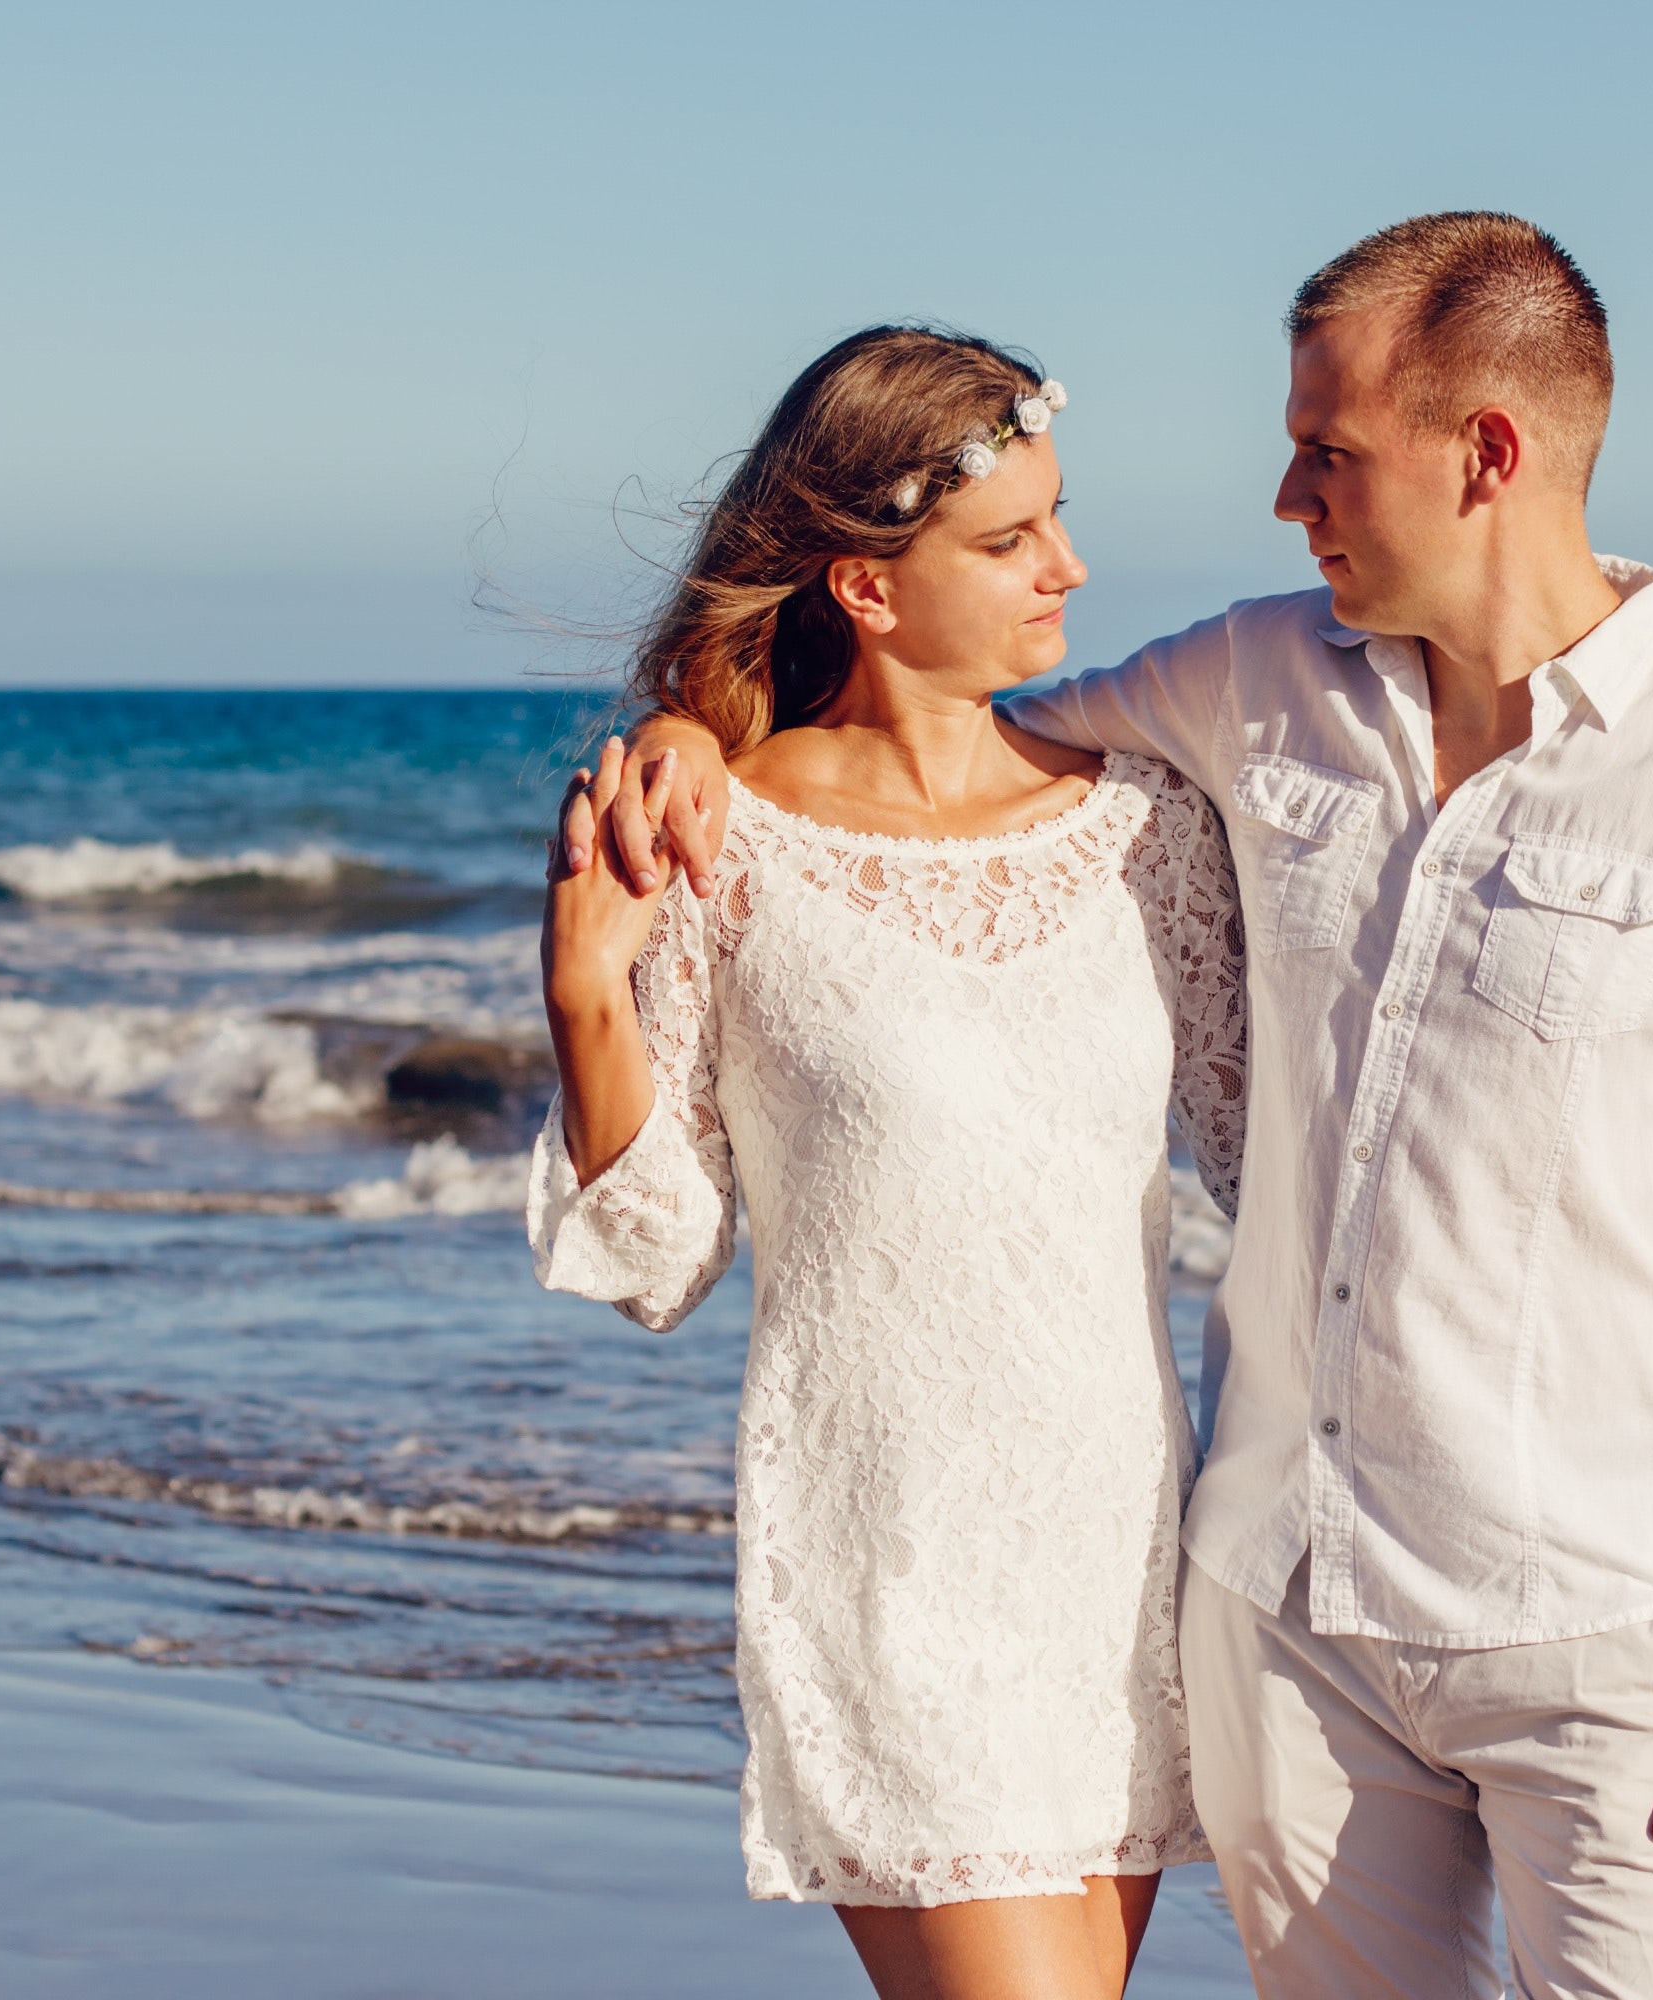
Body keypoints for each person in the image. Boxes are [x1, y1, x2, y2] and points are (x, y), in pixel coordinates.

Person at [577, 215, 1653, 1998]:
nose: (1285, 495)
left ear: (1485, 453)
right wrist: (689, 742)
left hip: (1602, 1630)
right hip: (1279, 1629)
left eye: (1326, 451)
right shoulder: (1249, 690)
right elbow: (939, 752)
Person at [528, 326, 1248, 2000]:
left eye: (1059, 518)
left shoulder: (1152, 833)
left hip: (1124, 1560)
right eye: (1009, 542)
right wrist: (583, 995)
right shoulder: (722, 847)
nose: (1069, 568)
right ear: (863, 585)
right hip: (890, 1566)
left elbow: (1291, 1162)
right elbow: (653, 1257)